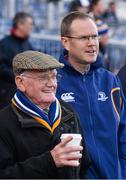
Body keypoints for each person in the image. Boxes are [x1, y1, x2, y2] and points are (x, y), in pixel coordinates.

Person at [56, 11, 126, 179]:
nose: (92, 43)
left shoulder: (110, 81)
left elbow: (123, 133)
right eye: (84, 38)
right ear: (65, 42)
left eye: (94, 37)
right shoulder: (53, 84)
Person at [0, 50, 91, 179]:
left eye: (54, 76)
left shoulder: (68, 111)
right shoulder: (4, 123)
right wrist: (50, 161)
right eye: (43, 78)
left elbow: (84, 165)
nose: (52, 84)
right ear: (20, 82)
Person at [0, 12, 34, 109]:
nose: (31, 27)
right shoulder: (4, 44)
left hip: (25, 93)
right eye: (30, 24)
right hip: (7, 93)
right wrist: (18, 77)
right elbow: (1, 67)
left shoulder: (28, 44)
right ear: (20, 25)